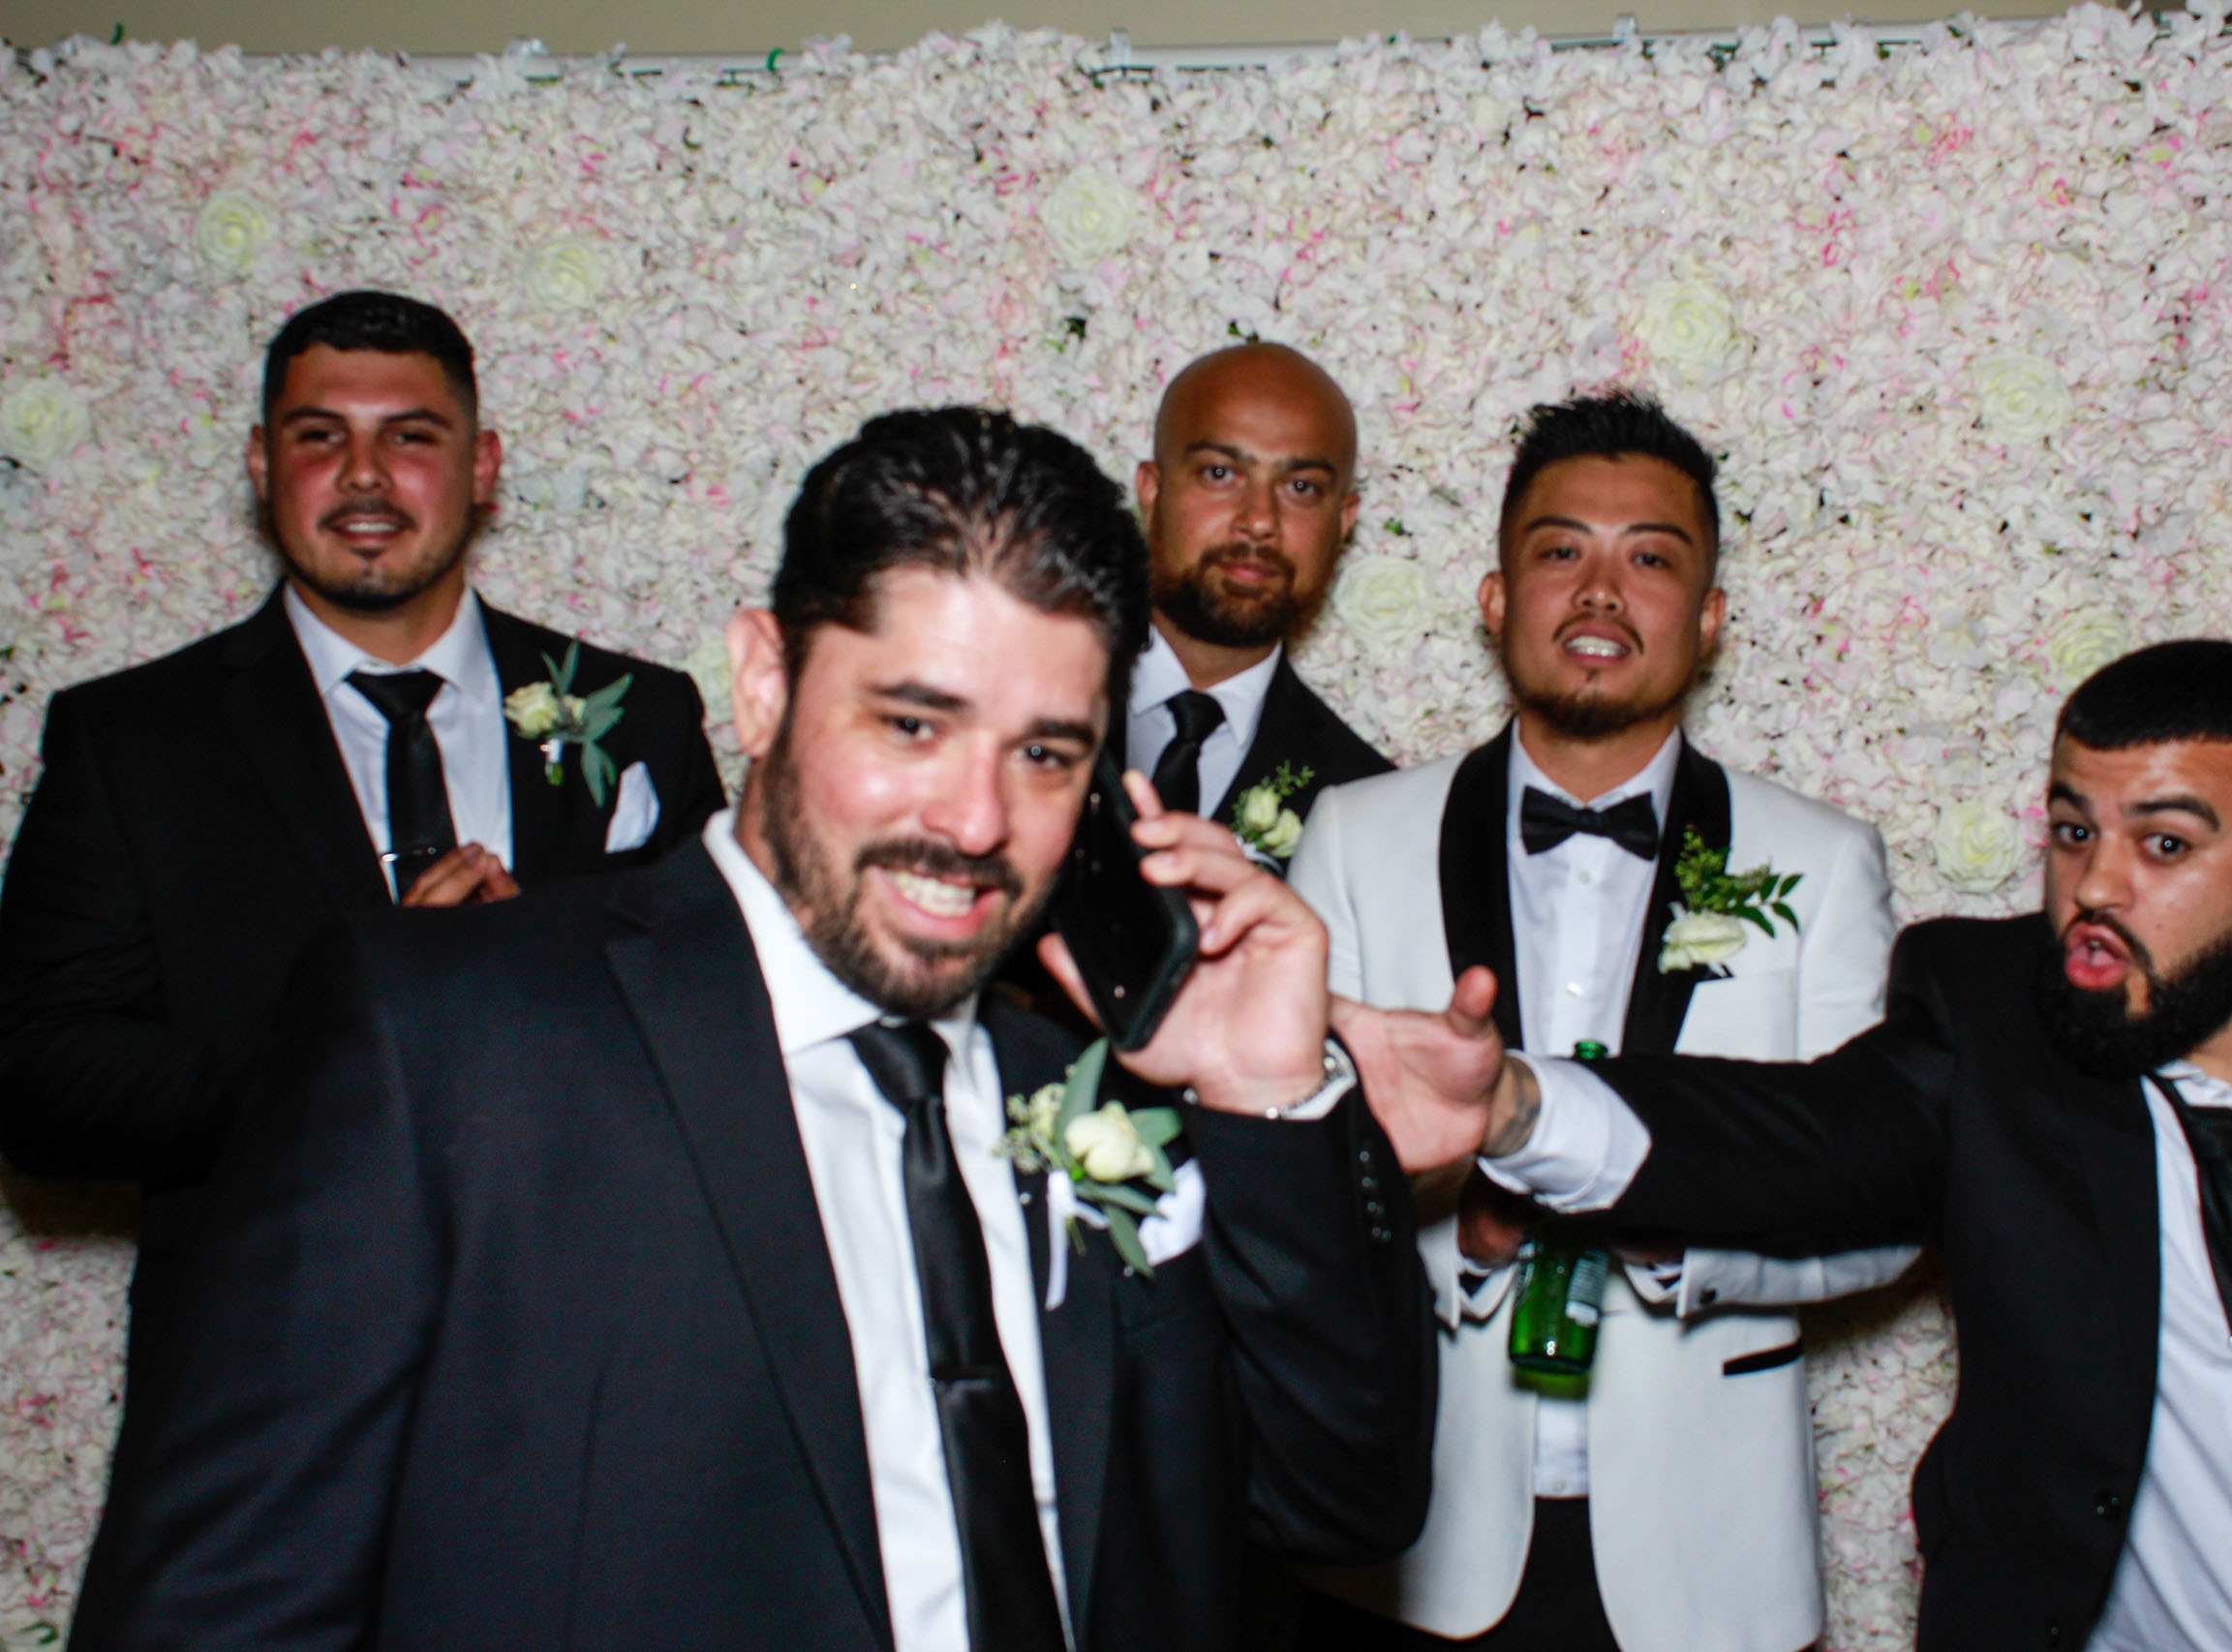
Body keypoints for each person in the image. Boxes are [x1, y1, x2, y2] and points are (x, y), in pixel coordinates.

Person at [69, 406, 1435, 1652]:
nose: (975, 820)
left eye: (1043, 753)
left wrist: (1265, 1096)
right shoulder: (446, 1044)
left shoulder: (1104, 1099)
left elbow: (1339, 1501)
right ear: (764, 680)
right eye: (914, 722)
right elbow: (212, 1613)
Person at [1347, 639, 2232, 1651]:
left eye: (2164, 842)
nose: (2094, 885)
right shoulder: (1990, 1015)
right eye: (2073, 830)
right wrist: (1517, 1104)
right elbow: (1795, 1135)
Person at [1287, 392, 1910, 1652]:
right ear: (1495, 597)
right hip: (1409, 1540)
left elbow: (1884, 1203)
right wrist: (1456, 1238)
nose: (1601, 590)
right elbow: (1284, 1173)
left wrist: (1681, 1238)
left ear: (1710, 618)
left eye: (1652, 558)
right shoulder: (1354, 835)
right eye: (1561, 549)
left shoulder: (1825, 861)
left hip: (1712, 1561)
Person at [0, 290, 720, 1332]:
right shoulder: (132, 740)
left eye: (411, 436)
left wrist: (543, 983)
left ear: (482, 467)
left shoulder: (641, 715)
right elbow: (38, 1088)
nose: (364, 475)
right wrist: (349, 1031)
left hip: (588, 1337)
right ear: (262, 465)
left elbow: (726, 1030)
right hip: (270, 1365)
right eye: (319, 436)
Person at [1124, 342, 1391, 857]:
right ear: (1152, 492)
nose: (1260, 520)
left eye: (1301, 487)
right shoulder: (1029, 700)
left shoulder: (1367, 807)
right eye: (1220, 474)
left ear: (1343, 522)